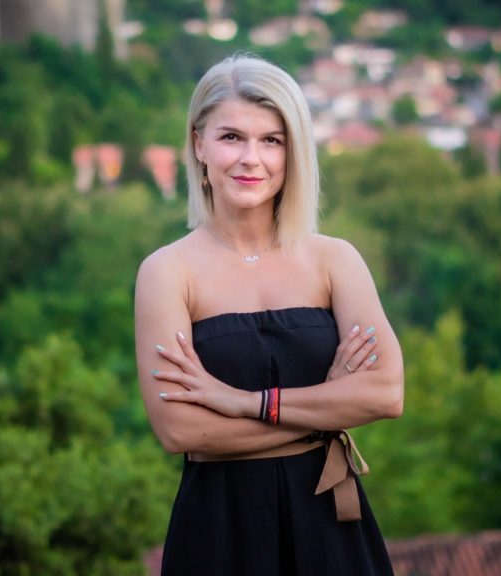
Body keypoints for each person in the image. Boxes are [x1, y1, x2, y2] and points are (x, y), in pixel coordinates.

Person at [134, 54, 404, 576]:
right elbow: (180, 430)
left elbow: (386, 394)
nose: (250, 158)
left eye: (271, 140)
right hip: (220, 530)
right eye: (231, 137)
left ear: (292, 151)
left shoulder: (336, 260)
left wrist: (244, 403)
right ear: (199, 144)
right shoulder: (166, 273)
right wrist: (326, 412)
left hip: (331, 529)